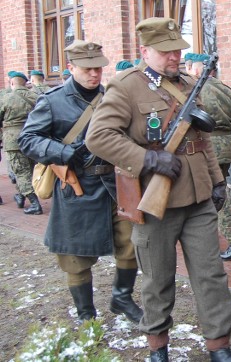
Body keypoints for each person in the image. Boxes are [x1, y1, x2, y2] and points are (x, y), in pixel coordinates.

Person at [85, 17, 231, 362]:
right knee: (157, 279)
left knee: (211, 275)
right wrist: (147, 160)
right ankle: (158, 345)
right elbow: (98, 137)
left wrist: (216, 181)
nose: (174, 57)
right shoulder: (125, 87)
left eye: (177, 51)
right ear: (145, 51)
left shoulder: (187, 83)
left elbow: (202, 141)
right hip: (155, 201)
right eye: (166, 51)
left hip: (197, 198)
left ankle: (219, 345)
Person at [18, 40, 143, 325]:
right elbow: (27, 139)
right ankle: (87, 315)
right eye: (87, 69)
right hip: (78, 185)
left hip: (115, 185)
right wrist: (61, 152)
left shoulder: (113, 96)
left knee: (132, 243)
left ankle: (122, 298)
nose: (94, 74)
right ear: (71, 67)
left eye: (98, 68)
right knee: (74, 256)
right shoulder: (51, 100)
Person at [185, 52, 231, 261]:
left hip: (202, 147)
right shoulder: (226, 90)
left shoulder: (190, 89)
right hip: (226, 147)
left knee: (214, 196)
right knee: (215, 192)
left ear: (194, 68)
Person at [0, 71, 41, 214]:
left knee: (21, 171)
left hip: (13, 140)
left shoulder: (6, 98)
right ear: (26, 83)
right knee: (29, 169)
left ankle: (35, 204)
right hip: (33, 139)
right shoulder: (36, 97)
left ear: (12, 83)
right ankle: (20, 196)